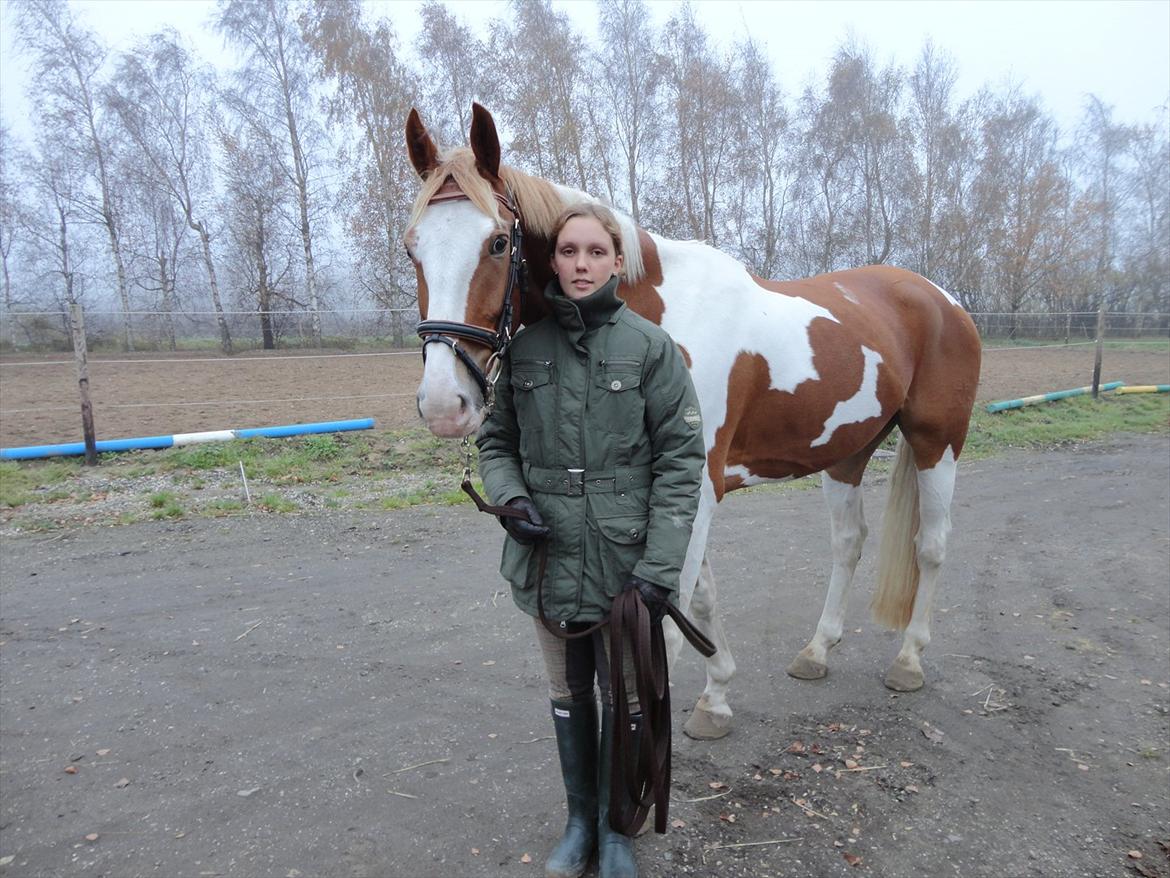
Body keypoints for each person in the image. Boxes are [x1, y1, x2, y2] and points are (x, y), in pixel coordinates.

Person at [477, 203, 705, 878]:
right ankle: (578, 821)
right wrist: (512, 497)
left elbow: (682, 461)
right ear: (554, 261)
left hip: (625, 562)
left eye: (595, 252)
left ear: (616, 262)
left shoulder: (651, 348)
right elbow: (497, 441)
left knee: (628, 698)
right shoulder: (524, 351)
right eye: (570, 251)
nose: (581, 264)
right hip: (546, 562)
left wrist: (659, 568)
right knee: (568, 694)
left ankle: (615, 832)